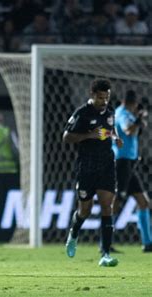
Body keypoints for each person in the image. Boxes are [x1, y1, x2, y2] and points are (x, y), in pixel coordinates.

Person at [63, 78, 123, 267]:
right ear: (92, 95)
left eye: (106, 97)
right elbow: (66, 137)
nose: (104, 101)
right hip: (87, 167)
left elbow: (109, 131)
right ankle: (74, 233)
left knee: (107, 206)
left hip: (106, 165)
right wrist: (89, 134)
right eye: (100, 97)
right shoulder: (82, 113)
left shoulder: (110, 112)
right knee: (85, 211)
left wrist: (116, 137)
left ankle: (105, 253)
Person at [112, 90, 151, 252]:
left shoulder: (126, 113)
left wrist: (139, 122)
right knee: (116, 203)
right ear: (133, 104)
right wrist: (139, 119)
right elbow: (128, 130)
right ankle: (105, 242)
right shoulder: (122, 114)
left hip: (129, 164)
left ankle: (147, 243)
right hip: (121, 163)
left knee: (144, 202)